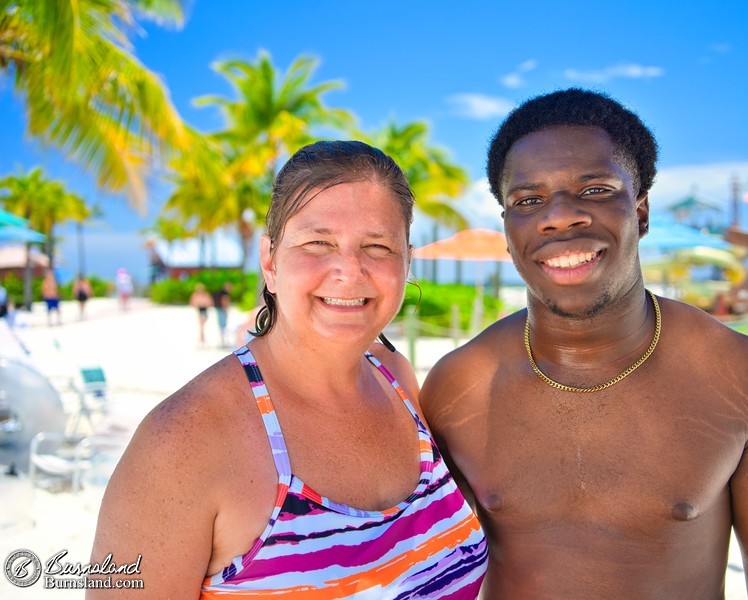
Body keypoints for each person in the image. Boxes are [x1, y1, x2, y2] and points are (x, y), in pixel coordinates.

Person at [420, 88, 748, 598]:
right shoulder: (459, 385)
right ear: (507, 229)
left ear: (641, 211)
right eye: (528, 200)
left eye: (594, 190)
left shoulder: (740, 375)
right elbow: (425, 570)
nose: (560, 216)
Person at [90, 140, 488, 597]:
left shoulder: (397, 376)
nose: (349, 270)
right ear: (270, 262)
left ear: (406, 261)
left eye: (377, 246)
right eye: (318, 243)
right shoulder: (181, 440)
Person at [189, 282, 214, 348]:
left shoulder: (205, 295)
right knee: (201, 327)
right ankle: (202, 340)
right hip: (200, 311)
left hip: (204, 311)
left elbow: (210, 303)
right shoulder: (196, 295)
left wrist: (204, 304)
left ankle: (202, 340)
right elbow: (192, 303)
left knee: (202, 327)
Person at [212, 281, 233, 348]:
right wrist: (226, 310)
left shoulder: (221, 292)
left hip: (219, 309)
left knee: (221, 326)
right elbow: (224, 301)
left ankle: (222, 342)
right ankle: (223, 342)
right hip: (222, 310)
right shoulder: (225, 293)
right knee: (223, 326)